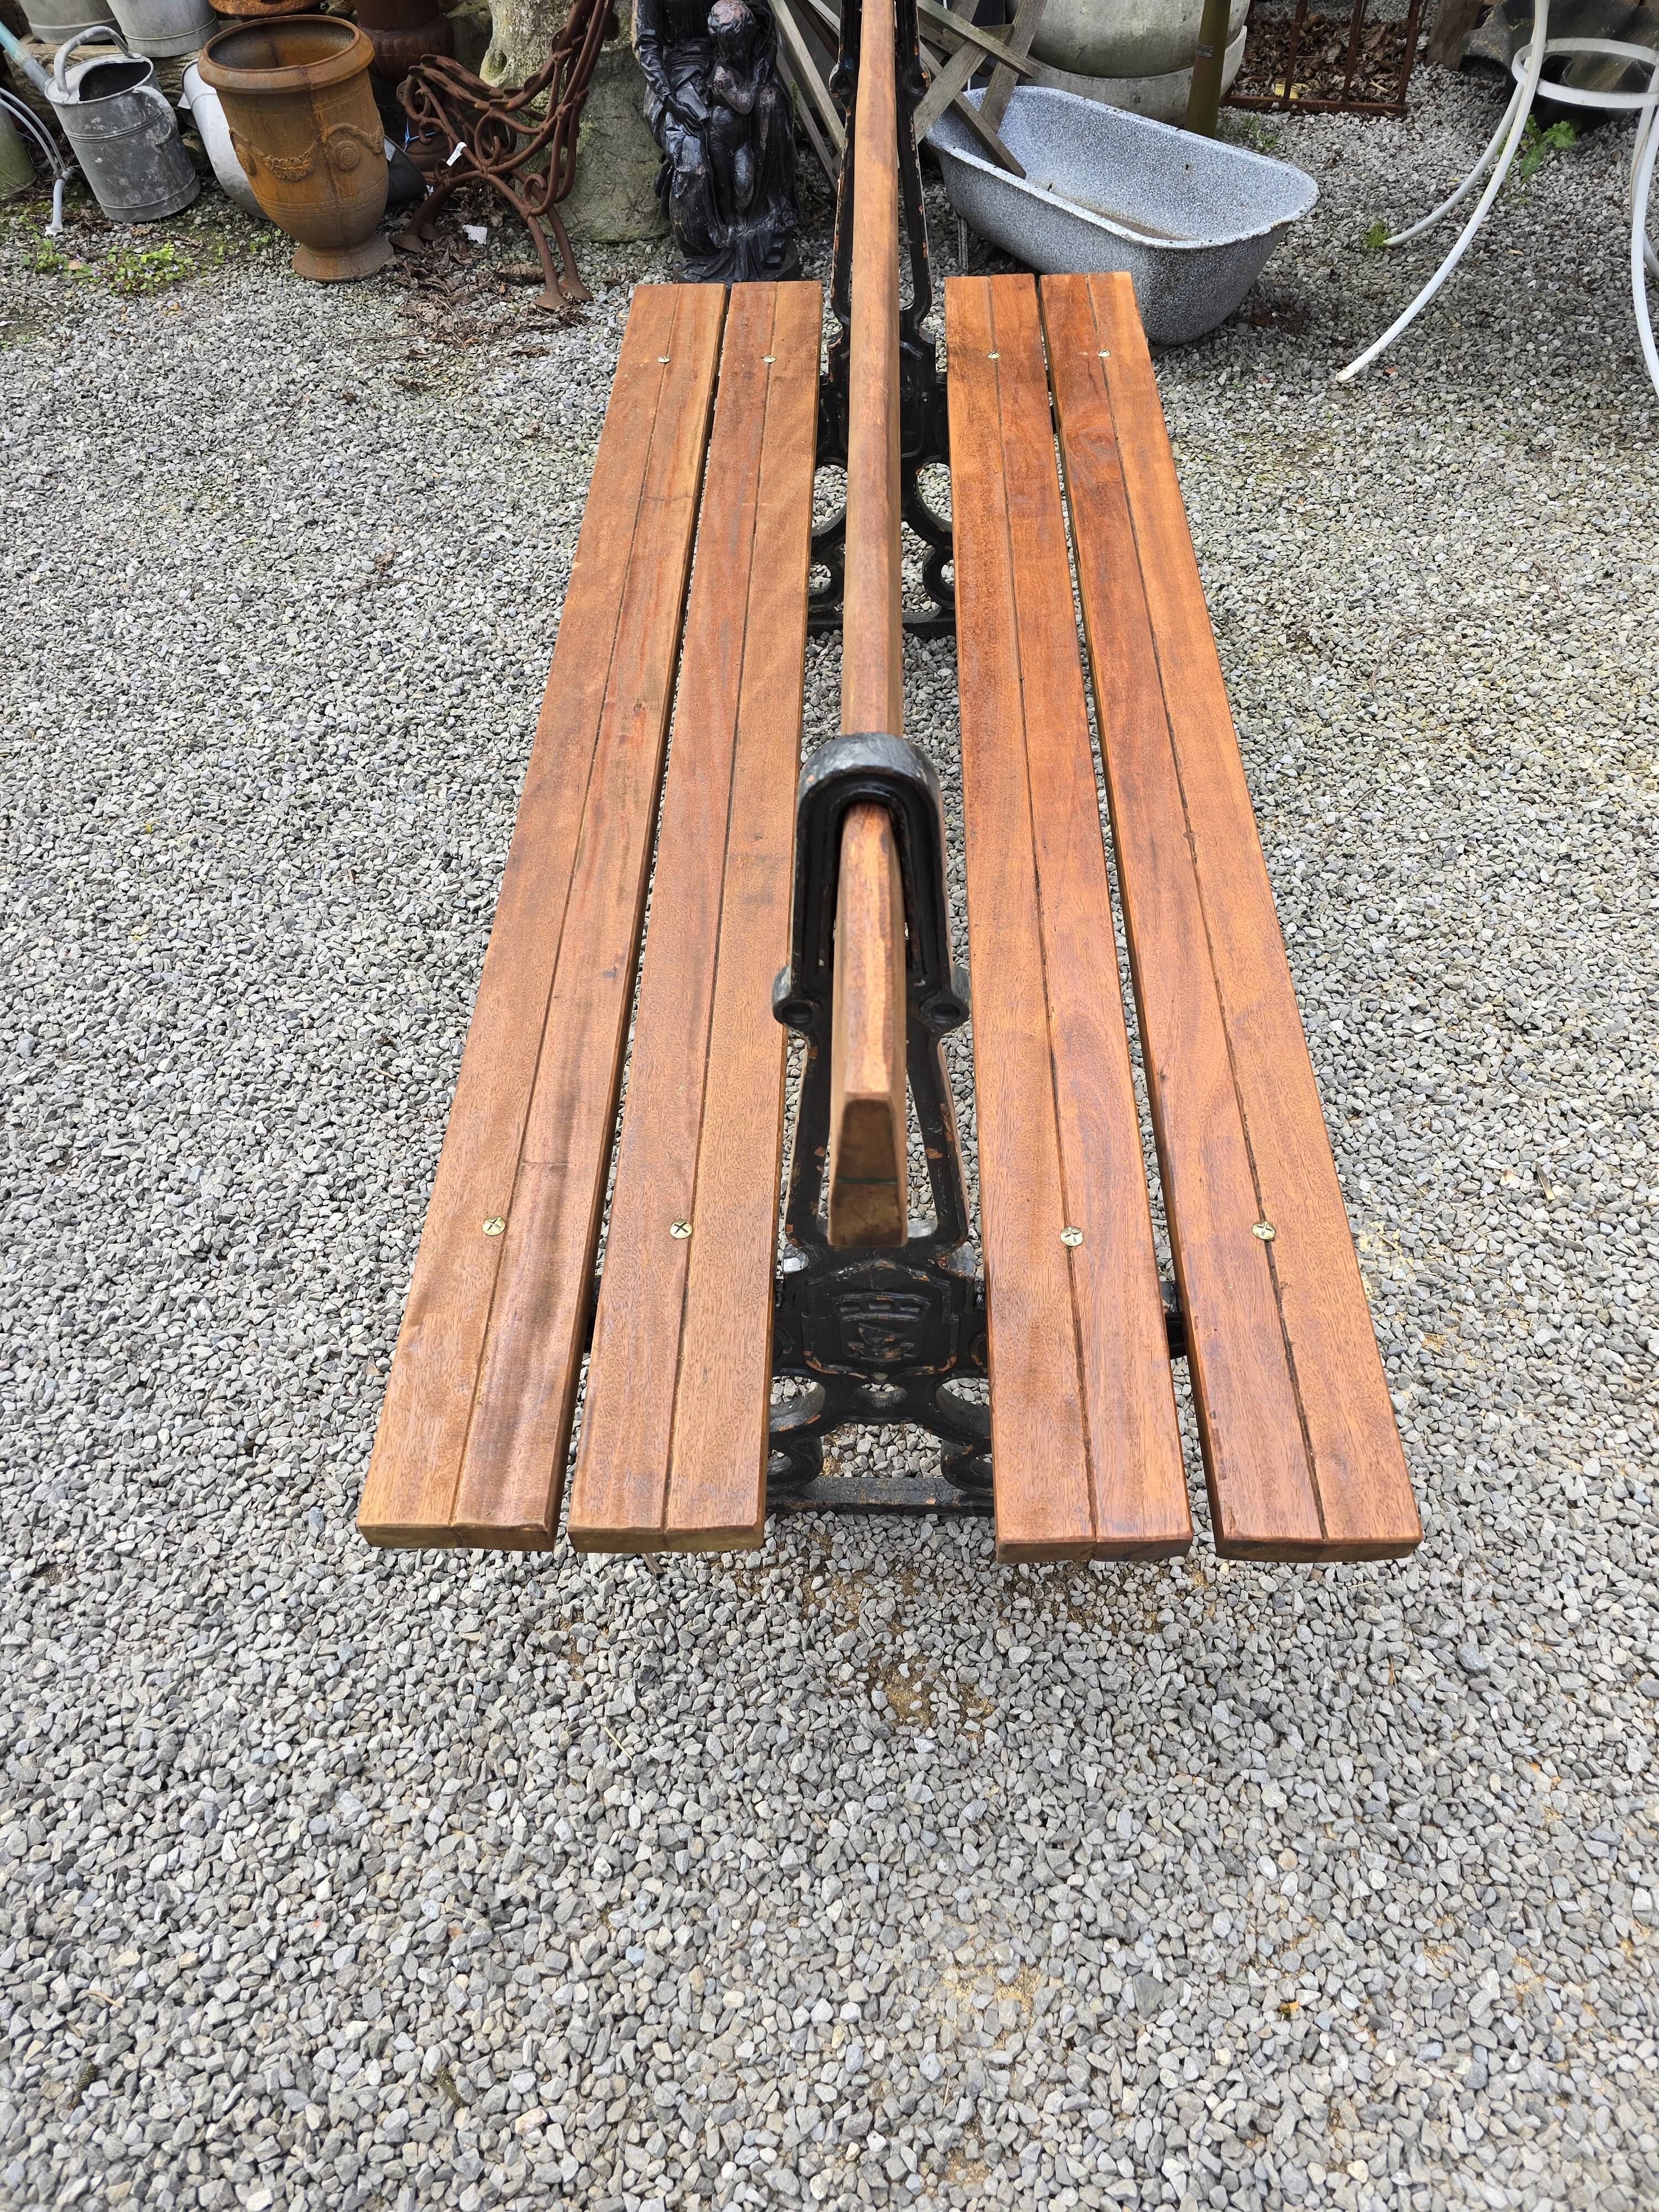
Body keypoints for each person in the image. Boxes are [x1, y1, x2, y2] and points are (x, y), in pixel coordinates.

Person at [633, 0, 800, 280]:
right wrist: (671, 101)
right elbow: (647, 44)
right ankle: (706, 249)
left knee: (771, 107)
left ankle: (769, 223)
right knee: (693, 160)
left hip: (738, 63)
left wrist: (757, 73)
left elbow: (765, 25)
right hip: (679, 76)